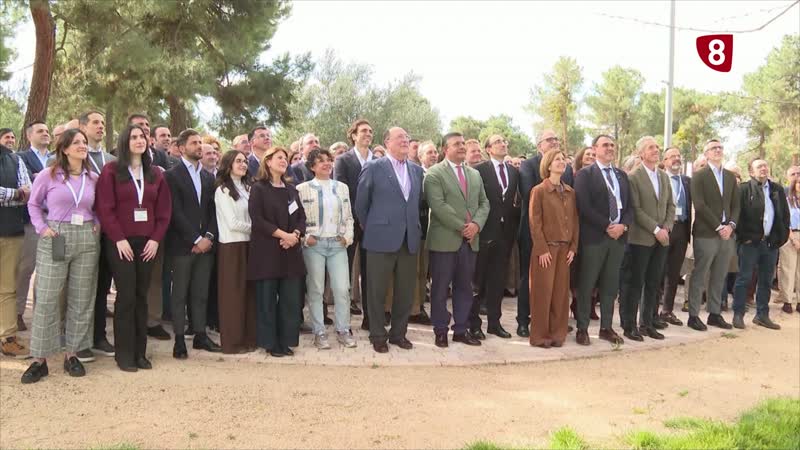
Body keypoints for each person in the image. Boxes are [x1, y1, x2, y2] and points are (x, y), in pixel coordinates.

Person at [21, 129, 101, 383]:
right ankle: (40, 359)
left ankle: (72, 354)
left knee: (81, 297)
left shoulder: (93, 178)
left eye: (84, 142)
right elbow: (33, 203)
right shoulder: (49, 175)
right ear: (64, 149)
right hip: (56, 236)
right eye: (76, 142)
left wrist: (97, 223)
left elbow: (98, 206)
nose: (82, 146)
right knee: (46, 297)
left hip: (86, 237)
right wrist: (43, 228)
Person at [96, 125, 172, 371]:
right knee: (126, 297)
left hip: (148, 244)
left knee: (141, 297)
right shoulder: (111, 171)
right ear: (124, 142)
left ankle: (140, 353)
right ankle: (124, 354)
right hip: (120, 244)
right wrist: (118, 238)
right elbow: (105, 208)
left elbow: (164, 212)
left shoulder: (155, 174)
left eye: (142, 137)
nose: (140, 141)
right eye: (134, 137)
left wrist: (155, 239)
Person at [355, 127, 424, 353]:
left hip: (409, 240)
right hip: (379, 239)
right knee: (376, 291)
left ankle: (398, 334)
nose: (406, 140)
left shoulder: (416, 170)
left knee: (405, 291)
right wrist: (374, 227)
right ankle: (377, 335)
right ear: (387, 142)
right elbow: (361, 205)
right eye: (400, 137)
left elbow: (417, 204)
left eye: (407, 137)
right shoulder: (373, 167)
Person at [425, 132, 489, 348]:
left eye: (463, 143)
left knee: (464, 287)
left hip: (470, 241)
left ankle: (461, 330)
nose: (462, 147)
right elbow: (438, 205)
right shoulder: (434, 174)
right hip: (445, 240)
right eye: (457, 144)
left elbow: (484, 203)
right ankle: (440, 330)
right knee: (440, 288)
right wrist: (463, 227)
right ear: (445, 149)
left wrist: (476, 226)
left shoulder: (475, 174)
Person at [164, 129, 222, 359]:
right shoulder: (172, 175)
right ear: (181, 148)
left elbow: (213, 211)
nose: (199, 146)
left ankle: (200, 335)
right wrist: (195, 239)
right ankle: (179, 339)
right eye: (194, 143)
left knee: (200, 292)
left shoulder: (209, 177)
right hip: (182, 245)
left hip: (206, 246)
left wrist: (208, 237)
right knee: (179, 293)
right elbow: (175, 211)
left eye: (200, 142)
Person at [574, 135, 632, 346]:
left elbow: (630, 207)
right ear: (594, 148)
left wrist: (623, 226)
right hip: (595, 237)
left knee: (610, 285)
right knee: (587, 284)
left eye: (612, 145)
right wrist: (607, 226)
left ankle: (606, 328)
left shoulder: (621, 175)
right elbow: (583, 206)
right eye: (605, 145)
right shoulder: (585, 174)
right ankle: (582, 328)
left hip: (618, 239)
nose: (609, 148)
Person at [248, 146, 306, 357]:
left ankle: (286, 340)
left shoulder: (292, 190)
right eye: (279, 157)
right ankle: (270, 342)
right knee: (267, 300)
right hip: (267, 254)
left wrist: (295, 235)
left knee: (290, 301)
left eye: (286, 158)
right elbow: (258, 219)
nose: (284, 161)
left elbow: (302, 218)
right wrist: (284, 235)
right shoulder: (259, 188)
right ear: (268, 162)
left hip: (290, 253)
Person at [297, 148, 356, 349]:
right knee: (316, 289)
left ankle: (343, 329)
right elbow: (297, 219)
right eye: (321, 161)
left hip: (337, 244)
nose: (326, 164)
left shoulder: (342, 188)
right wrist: (305, 238)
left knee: (342, 289)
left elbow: (348, 216)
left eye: (328, 160)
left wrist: (347, 237)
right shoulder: (302, 188)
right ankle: (319, 332)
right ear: (312, 166)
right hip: (315, 245)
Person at [517, 129, 574, 337]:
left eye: (556, 139)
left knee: (557, 283)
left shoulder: (566, 170)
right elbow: (528, 194)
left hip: (560, 238)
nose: (554, 142)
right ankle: (524, 320)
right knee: (529, 279)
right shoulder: (528, 165)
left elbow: (569, 202)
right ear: (539, 144)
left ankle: (553, 323)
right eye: (549, 139)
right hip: (534, 234)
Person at [622, 137, 675, 341]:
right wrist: (655, 228)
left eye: (656, 147)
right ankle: (629, 325)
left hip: (662, 239)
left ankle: (647, 323)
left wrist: (667, 227)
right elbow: (635, 208)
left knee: (653, 283)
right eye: (651, 147)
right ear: (641, 153)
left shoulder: (663, 176)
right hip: (641, 239)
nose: (656, 150)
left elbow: (671, 205)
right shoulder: (634, 177)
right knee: (635, 284)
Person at [685, 139, 740, 331]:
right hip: (706, 233)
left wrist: (731, 225)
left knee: (719, 274)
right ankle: (693, 315)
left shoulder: (730, 177)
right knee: (700, 274)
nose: (717, 150)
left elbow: (736, 204)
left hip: (727, 235)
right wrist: (719, 226)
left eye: (720, 148)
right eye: (713, 148)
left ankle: (714, 314)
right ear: (706, 153)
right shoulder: (699, 176)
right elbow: (699, 205)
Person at [470, 134, 519, 339]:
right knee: (477, 282)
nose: (503, 144)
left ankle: (494, 323)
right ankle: (473, 323)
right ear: (488, 149)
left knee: (497, 281)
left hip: (505, 235)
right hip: (484, 233)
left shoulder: (513, 172)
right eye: (498, 142)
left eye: (504, 141)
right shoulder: (479, 171)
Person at [529, 149, 578, 348]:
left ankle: (558, 334)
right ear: (548, 165)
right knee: (542, 294)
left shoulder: (570, 192)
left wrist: (573, 247)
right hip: (546, 250)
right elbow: (534, 222)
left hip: (565, 250)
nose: (561, 162)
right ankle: (540, 336)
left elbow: (575, 221)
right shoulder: (539, 190)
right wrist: (541, 249)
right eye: (557, 159)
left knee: (560, 294)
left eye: (563, 159)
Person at [731, 159, 789, 330]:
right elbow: (737, 215)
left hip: (770, 244)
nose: (764, 168)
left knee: (765, 281)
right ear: (751, 172)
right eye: (759, 167)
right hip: (749, 243)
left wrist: (780, 238)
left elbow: (784, 216)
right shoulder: (743, 188)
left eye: (765, 166)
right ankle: (738, 314)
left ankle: (762, 315)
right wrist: (743, 237)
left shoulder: (777, 189)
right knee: (744, 279)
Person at [214, 150, 257, 354]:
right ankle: (232, 342)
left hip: (249, 246)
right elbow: (232, 223)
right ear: (228, 164)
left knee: (248, 295)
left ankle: (248, 339)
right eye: (238, 161)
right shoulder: (223, 191)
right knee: (233, 296)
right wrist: (258, 228)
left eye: (245, 161)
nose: (243, 164)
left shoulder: (248, 188)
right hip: (232, 247)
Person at [334, 119, 374, 323]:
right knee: (345, 271)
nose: (368, 134)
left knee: (371, 272)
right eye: (363, 131)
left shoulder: (378, 161)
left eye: (370, 131)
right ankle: (344, 320)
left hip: (374, 226)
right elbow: (341, 193)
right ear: (353, 135)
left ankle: (370, 317)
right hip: (350, 224)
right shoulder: (343, 160)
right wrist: (357, 218)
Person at [15, 122, 52, 332]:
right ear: (29, 136)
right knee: (26, 267)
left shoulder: (57, 157)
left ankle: (43, 314)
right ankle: (18, 311)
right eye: (40, 131)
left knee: (49, 270)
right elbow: (27, 185)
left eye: (47, 131)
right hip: (31, 221)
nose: (45, 134)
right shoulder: (21, 158)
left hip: (55, 221)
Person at [0, 143, 32, 358]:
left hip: (10, 232)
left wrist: (15, 195)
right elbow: (21, 192)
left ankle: (7, 337)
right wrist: (17, 194)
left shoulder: (14, 159)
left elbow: (28, 191)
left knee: (7, 288)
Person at [659, 147, 691, 326]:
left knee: (673, 274)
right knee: (657, 273)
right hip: (663, 229)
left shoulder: (686, 181)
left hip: (682, 229)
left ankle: (667, 311)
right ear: (664, 161)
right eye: (672, 157)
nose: (676, 159)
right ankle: (651, 313)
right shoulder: (660, 178)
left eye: (679, 156)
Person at [777, 177, 800, 314]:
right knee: (788, 269)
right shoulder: (787, 201)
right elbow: (784, 221)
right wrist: (794, 240)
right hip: (789, 236)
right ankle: (787, 301)